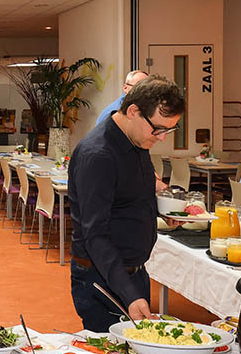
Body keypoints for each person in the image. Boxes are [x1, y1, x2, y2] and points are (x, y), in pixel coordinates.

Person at [68, 77, 186, 331]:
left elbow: (130, 196)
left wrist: (162, 210)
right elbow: (94, 234)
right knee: (111, 352)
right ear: (133, 111)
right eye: (158, 128)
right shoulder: (98, 155)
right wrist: (129, 292)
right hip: (102, 278)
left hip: (133, 272)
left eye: (169, 130)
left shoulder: (137, 139)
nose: (162, 138)